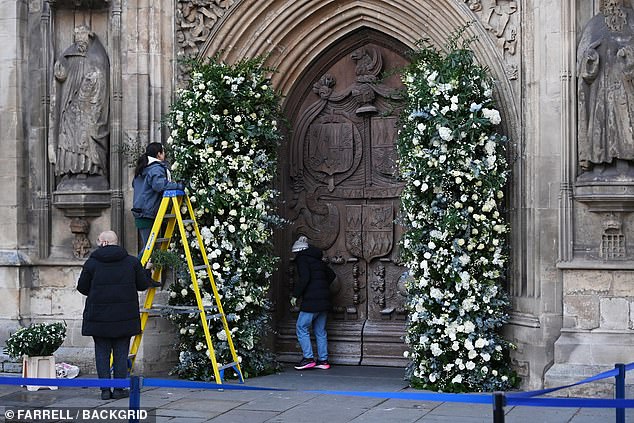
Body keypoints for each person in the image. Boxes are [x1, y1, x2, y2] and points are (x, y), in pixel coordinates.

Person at [77, 230, 160, 400]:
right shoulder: (131, 262)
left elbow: (82, 288)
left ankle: (105, 390)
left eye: (99, 240)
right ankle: (119, 390)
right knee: (121, 353)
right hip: (124, 317)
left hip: (99, 317)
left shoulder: (92, 263)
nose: (98, 243)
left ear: (105, 243)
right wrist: (147, 270)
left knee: (102, 353)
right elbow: (142, 285)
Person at [48, 25, 109, 189]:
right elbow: (61, 74)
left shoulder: (97, 55)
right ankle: (71, 171)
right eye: (76, 36)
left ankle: (90, 169)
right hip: (71, 104)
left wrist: (90, 86)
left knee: (88, 136)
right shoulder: (69, 55)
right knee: (68, 137)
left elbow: (100, 77)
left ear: (89, 36)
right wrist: (59, 67)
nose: (79, 39)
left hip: (90, 105)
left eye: (82, 35)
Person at [577, 0, 634, 172]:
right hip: (601, 89)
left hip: (626, 87)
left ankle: (625, 161)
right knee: (600, 126)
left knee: (625, 124)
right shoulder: (595, 24)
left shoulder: (631, 21)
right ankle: (599, 162)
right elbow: (583, 57)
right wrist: (590, 57)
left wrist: (628, 54)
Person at [291, 235, 336, 370]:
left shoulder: (302, 259)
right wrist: (321, 287)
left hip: (312, 300)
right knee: (320, 330)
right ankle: (323, 360)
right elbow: (331, 275)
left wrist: (295, 295)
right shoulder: (318, 261)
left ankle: (308, 358)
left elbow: (304, 278)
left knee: (301, 327)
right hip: (324, 299)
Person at [132, 142, 183, 256]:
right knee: (149, 249)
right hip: (147, 212)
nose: (164, 154)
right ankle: (134, 272)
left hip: (141, 211)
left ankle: (139, 272)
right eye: (163, 152)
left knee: (149, 247)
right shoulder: (155, 168)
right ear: (159, 154)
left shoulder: (143, 168)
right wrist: (179, 186)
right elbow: (160, 185)